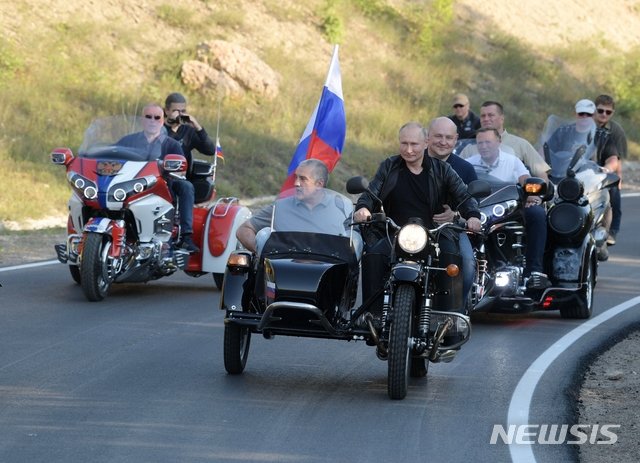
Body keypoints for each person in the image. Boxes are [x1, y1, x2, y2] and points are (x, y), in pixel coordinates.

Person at [354, 122, 482, 320]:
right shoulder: (389, 166)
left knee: (450, 256)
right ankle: (372, 316)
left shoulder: (443, 169)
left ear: (425, 143)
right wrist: (363, 208)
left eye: (414, 144)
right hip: (396, 232)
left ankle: (449, 318)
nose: (409, 149)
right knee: (374, 254)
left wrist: (473, 215)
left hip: (435, 233)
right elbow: (371, 192)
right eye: (404, 143)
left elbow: (464, 196)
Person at [466, 128, 551, 290]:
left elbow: (525, 179)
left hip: (507, 209)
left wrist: (530, 194)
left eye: (488, 142)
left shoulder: (512, 161)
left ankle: (534, 271)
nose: (484, 146)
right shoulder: (469, 163)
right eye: (480, 143)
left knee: (537, 213)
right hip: (479, 208)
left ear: (499, 142)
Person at [117, 103, 199, 253]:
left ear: (162, 121)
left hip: (162, 185)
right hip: (131, 185)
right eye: (148, 117)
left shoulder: (172, 144)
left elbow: (181, 170)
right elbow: (110, 156)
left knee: (186, 186)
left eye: (157, 117)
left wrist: (167, 169)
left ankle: (185, 236)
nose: (152, 121)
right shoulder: (128, 141)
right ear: (142, 120)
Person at [236, 159, 360, 257]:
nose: (296, 183)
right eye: (296, 177)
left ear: (319, 184)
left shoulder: (341, 209)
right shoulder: (280, 207)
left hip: (329, 276)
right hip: (284, 274)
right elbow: (243, 230)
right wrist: (263, 253)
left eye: (303, 179)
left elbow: (356, 241)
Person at [426, 116, 478, 306]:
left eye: (448, 137)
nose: (443, 142)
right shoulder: (411, 160)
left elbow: (473, 204)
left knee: (467, 264)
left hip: (452, 230)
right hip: (411, 226)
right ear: (427, 137)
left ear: (456, 139)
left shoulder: (465, 169)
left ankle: (456, 312)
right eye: (438, 136)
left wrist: (456, 216)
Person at [460, 101, 551, 181]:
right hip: (477, 194)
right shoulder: (469, 148)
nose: (486, 119)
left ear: (502, 118)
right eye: (483, 116)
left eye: (491, 115)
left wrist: (538, 193)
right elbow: (456, 174)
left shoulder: (521, 144)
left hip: (511, 194)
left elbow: (542, 174)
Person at [593, 94, 625, 245]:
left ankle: (612, 231)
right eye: (600, 110)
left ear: (612, 113)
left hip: (605, 170)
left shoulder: (616, 131)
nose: (604, 114)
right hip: (583, 169)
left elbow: (617, 157)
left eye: (608, 112)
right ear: (594, 110)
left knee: (614, 192)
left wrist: (618, 177)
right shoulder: (583, 125)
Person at [163, 92, 217, 173]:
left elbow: (210, 151)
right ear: (167, 111)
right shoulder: (158, 127)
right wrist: (174, 128)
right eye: (176, 111)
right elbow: (161, 152)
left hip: (179, 175)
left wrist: (197, 127)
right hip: (160, 172)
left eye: (183, 111)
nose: (180, 114)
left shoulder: (188, 131)